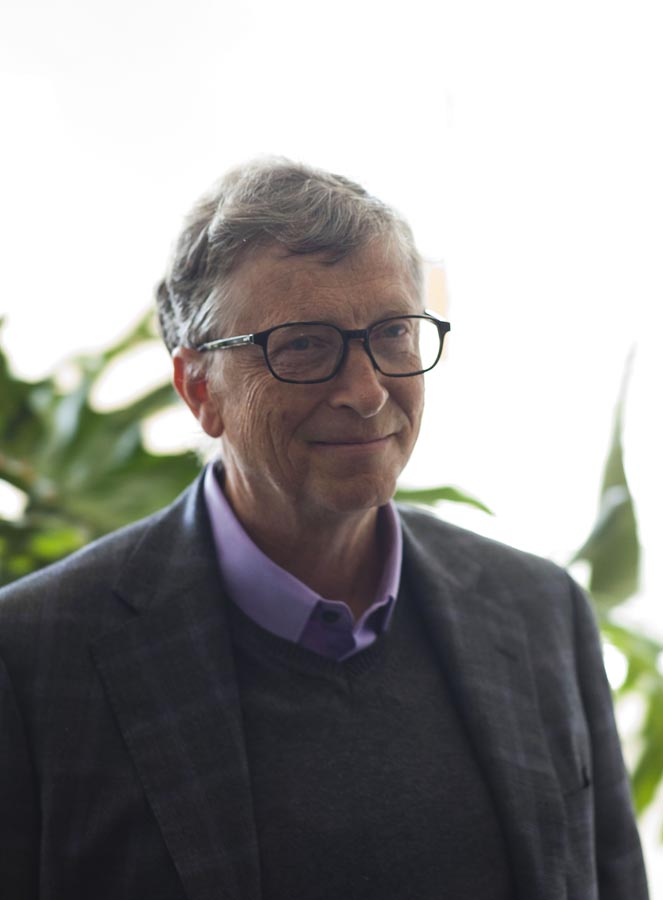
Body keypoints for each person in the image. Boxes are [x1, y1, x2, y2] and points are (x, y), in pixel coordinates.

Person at [0, 158, 649, 900]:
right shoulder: (35, 659)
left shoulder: (541, 611)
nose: (367, 393)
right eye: (304, 344)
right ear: (199, 389)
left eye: (393, 333)